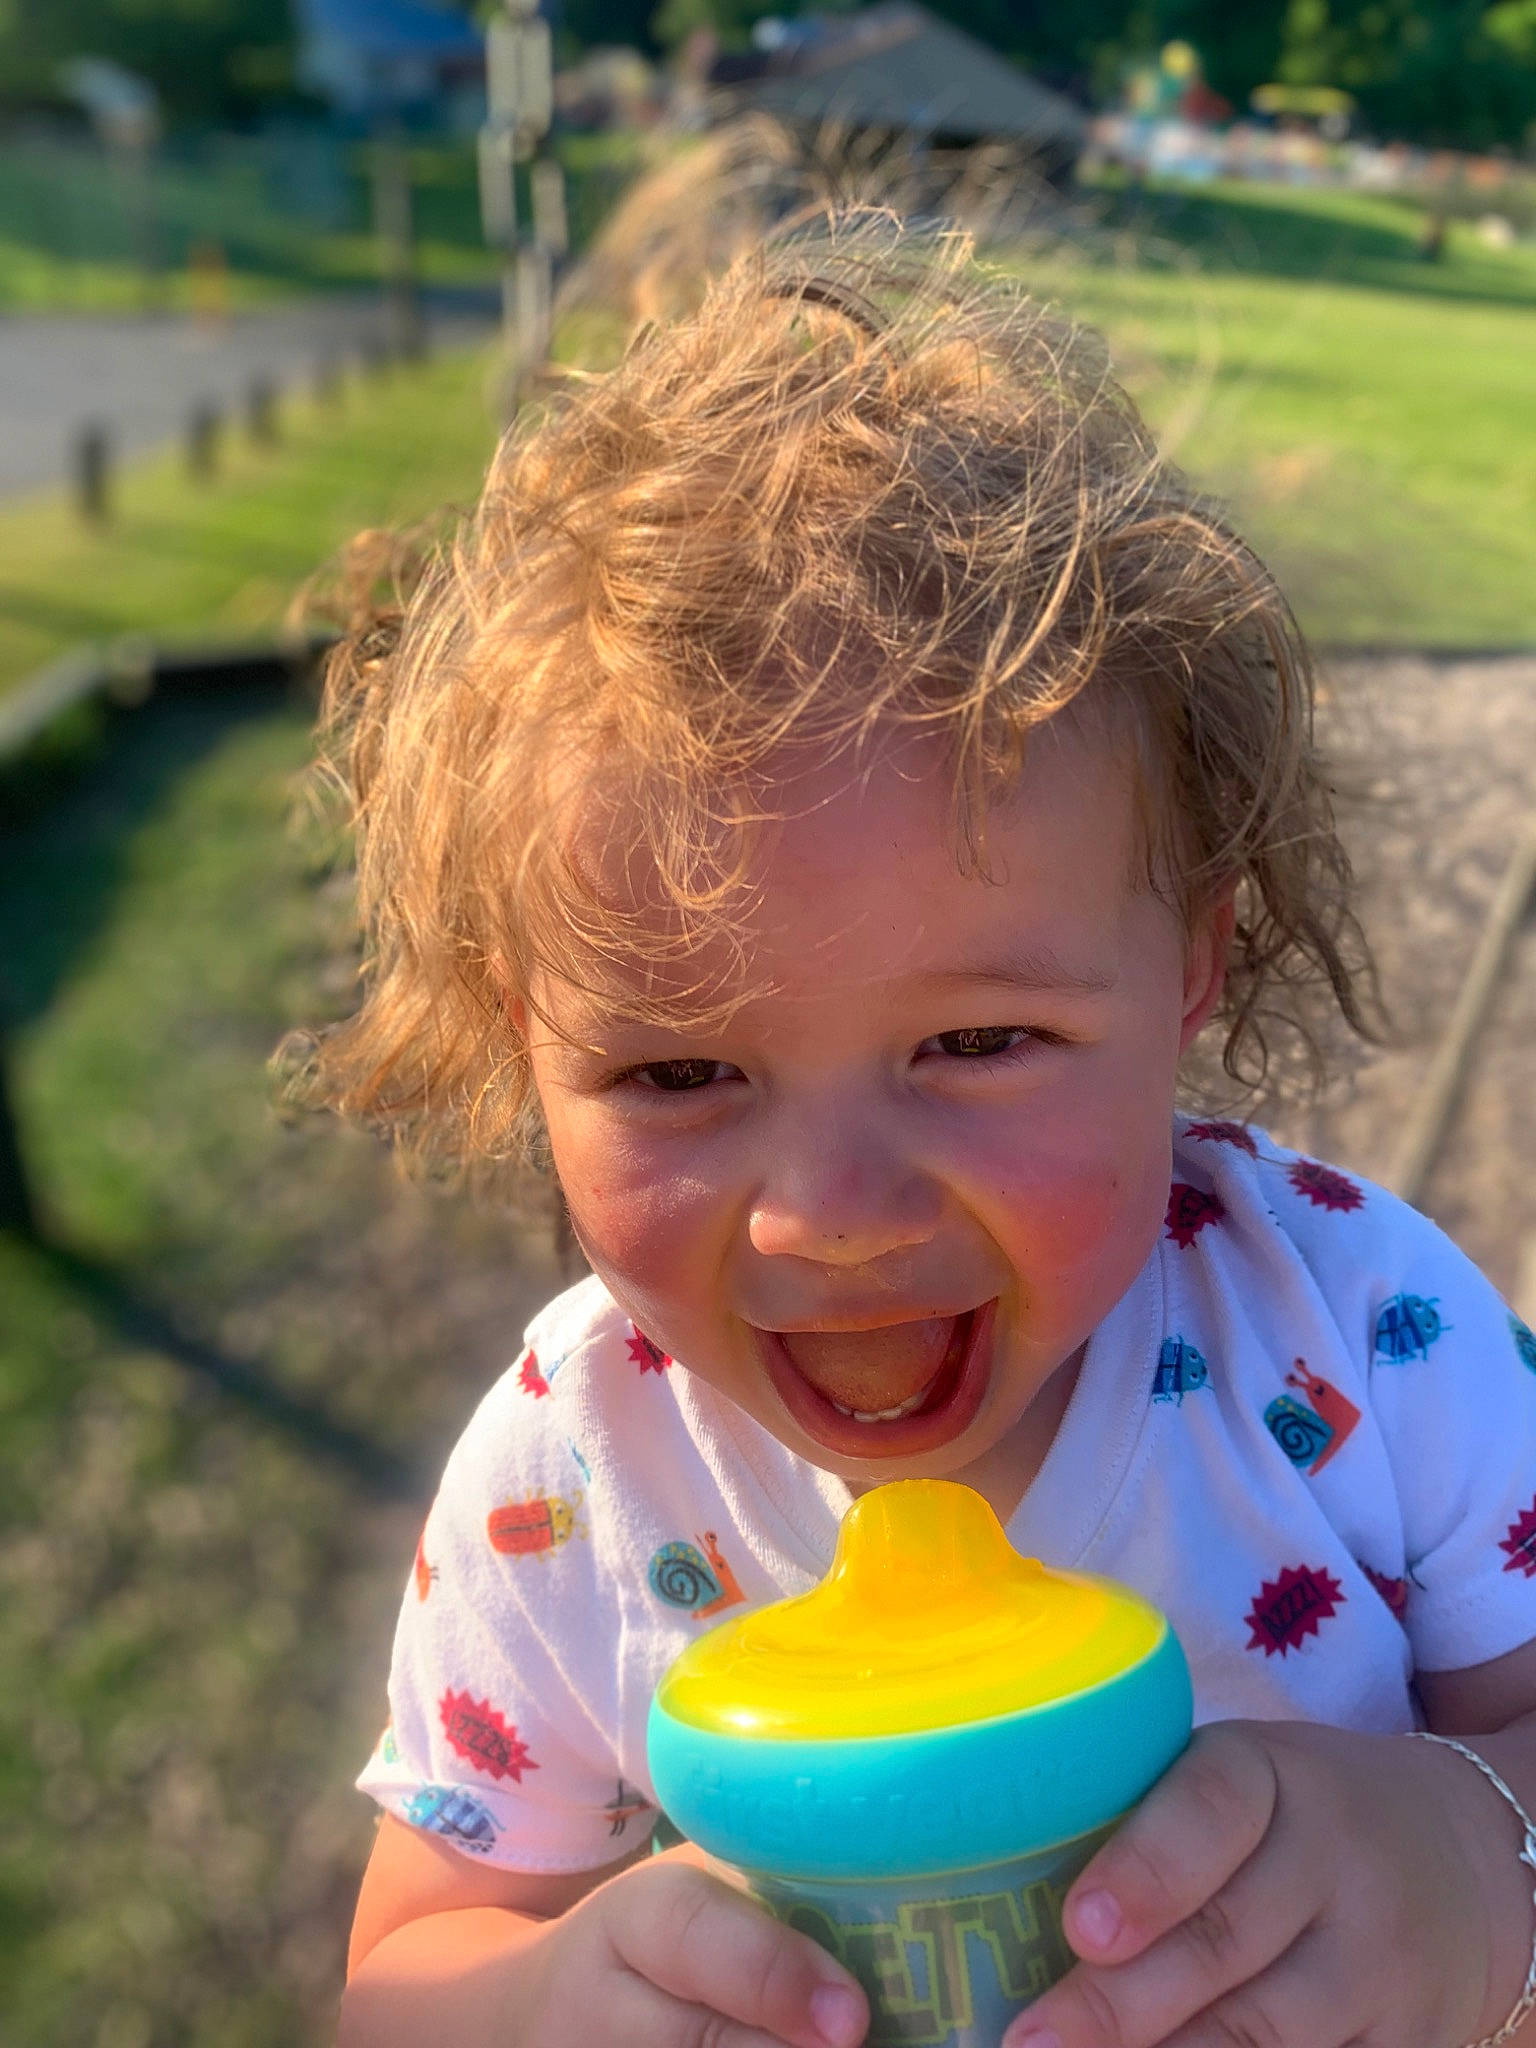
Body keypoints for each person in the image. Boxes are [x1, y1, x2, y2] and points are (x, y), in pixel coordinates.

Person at [308, 211, 1536, 2048]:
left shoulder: (1360, 1338)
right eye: (677, 1075)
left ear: (1193, 960)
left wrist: (1477, 1859)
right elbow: (406, 1969)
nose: (831, 1218)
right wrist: (548, 1998)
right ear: (525, 1045)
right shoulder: (569, 1483)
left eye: (976, 1039)